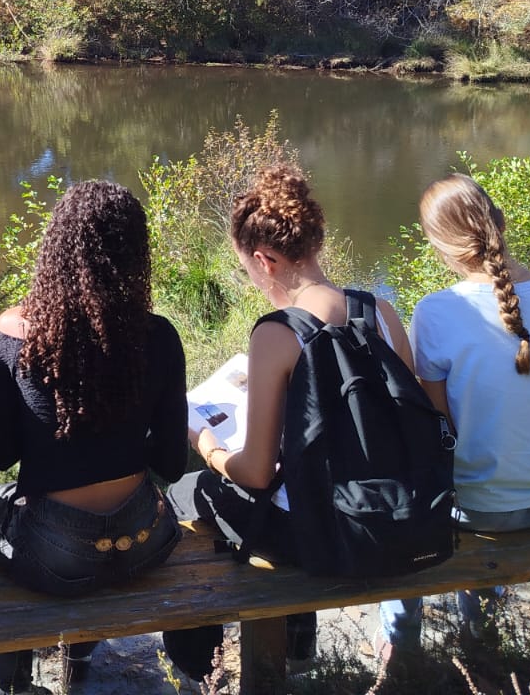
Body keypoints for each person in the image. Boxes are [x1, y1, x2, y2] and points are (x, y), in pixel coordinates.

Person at [163, 163, 415, 682]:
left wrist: (205, 441)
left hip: (316, 532)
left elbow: (255, 472)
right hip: (389, 513)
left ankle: (196, 673)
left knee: (187, 494)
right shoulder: (382, 312)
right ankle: (300, 656)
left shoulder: (278, 332)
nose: (251, 279)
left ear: (265, 260)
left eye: (247, 269)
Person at [0, 180, 187, 695]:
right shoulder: (159, 336)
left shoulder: (13, 334)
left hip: (53, 553)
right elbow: (173, 465)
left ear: (56, 249)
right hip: (142, 540)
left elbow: (2, 455)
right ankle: (80, 664)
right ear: (136, 253)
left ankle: (13, 681)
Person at [380, 174, 530, 656]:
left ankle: (429, 648)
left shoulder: (436, 311)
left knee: (429, 494)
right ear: (499, 222)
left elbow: (441, 436)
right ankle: (492, 635)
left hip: (479, 510)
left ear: (440, 245)